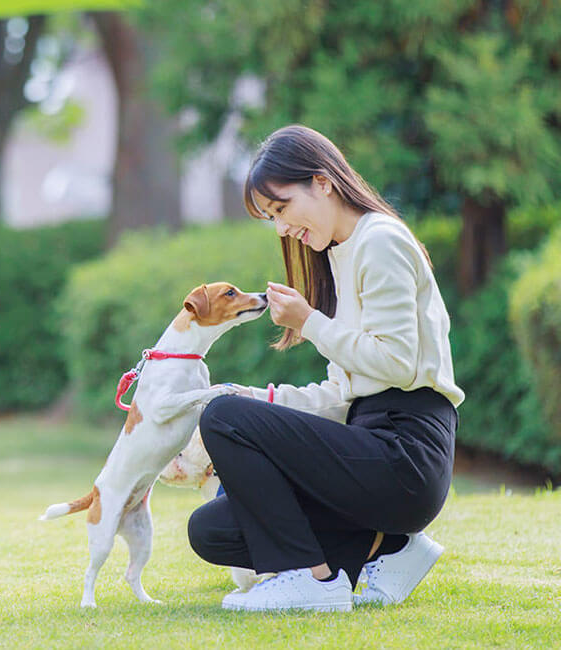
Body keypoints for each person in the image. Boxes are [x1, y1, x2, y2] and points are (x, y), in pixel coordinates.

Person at [187, 125, 464, 612]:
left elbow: (397, 364)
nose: (281, 228)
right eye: (271, 217)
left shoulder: (380, 241)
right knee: (212, 529)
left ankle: (314, 581)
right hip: (367, 443)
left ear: (322, 182)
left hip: (406, 453)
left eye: (281, 208)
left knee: (221, 416)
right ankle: (392, 548)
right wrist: (260, 400)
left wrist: (310, 322)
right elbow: (342, 394)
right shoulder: (339, 254)